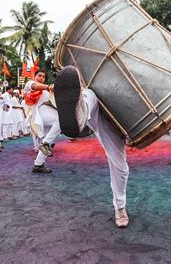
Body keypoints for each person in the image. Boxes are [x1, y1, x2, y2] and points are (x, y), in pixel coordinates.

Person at [54, 66, 129, 228]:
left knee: (121, 168)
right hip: (99, 103)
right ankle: (78, 117)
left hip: (123, 118)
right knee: (90, 95)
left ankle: (120, 207)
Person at [24, 69, 60, 173]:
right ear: (34, 77)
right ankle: (45, 143)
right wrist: (49, 87)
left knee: (48, 142)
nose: (42, 78)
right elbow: (35, 86)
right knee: (59, 122)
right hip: (39, 114)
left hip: (47, 115)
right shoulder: (29, 84)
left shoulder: (46, 91)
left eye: (43, 77)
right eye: (39, 75)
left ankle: (38, 164)